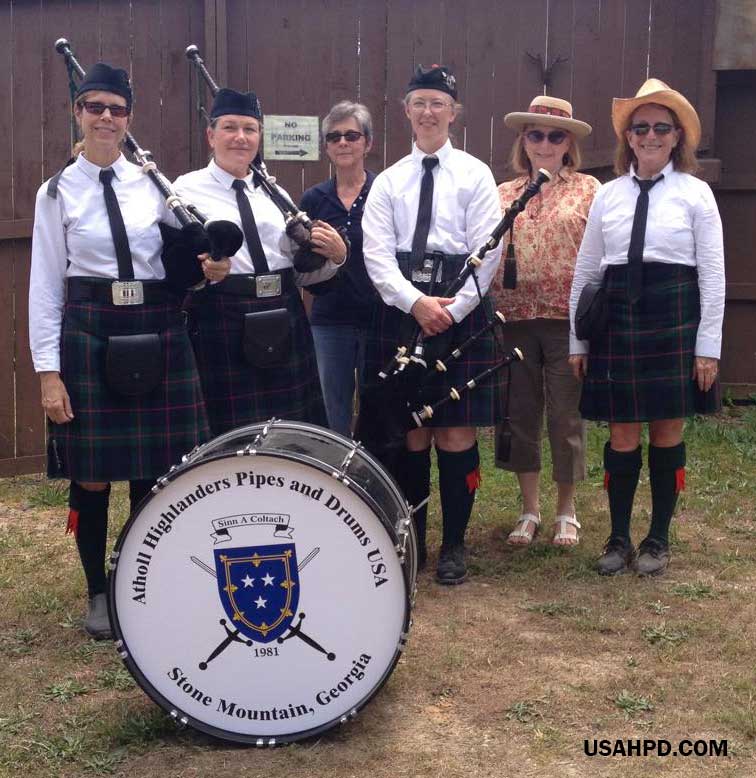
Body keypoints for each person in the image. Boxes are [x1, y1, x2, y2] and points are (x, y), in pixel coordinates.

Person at [29, 64, 217, 639]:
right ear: (78, 114)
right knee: (92, 476)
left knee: (155, 475)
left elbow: (183, 268)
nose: (106, 117)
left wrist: (209, 265)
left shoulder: (158, 186)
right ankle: (97, 592)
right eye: (95, 107)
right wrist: (47, 372)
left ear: (129, 118)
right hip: (89, 330)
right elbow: (45, 284)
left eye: (116, 108)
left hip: (157, 324)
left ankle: (145, 580)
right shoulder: (56, 192)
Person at [569, 79, 725, 576]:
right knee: (621, 433)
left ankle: (658, 538)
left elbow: (714, 276)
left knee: (667, 429)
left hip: (674, 314)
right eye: (641, 128)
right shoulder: (608, 196)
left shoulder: (697, 194)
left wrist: (708, 348)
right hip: (617, 318)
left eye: (662, 127)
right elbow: (587, 271)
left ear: (677, 137)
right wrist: (578, 338)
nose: (651, 135)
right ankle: (617, 538)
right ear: (629, 138)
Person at [362, 65, 503, 584]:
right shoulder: (390, 181)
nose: (427, 112)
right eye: (418, 102)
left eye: (437, 103)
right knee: (412, 431)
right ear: (406, 110)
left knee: (456, 431)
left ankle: (456, 546)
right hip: (404, 310)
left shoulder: (475, 174)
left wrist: (454, 310)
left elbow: (488, 252)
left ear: (453, 112)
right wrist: (416, 303)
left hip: (459, 305)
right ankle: (413, 538)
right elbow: (376, 257)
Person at [173, 88, 348, 435]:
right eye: (230, 128)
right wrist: (203, 271)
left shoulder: (274, 193)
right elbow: (176, 268)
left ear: (259, 137)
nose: (240, 137)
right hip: (221, 318)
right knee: (231, 437)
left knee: (291, 433)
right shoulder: (185, 190)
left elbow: (300, 274)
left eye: (250, 129)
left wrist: (336, 259)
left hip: (284, 315)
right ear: (211, 135)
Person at [490, 96, 599, 547]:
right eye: (535, 134)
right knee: (520, 414)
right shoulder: (502, 193)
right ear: (524, 141)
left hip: (565, 321)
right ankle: (529, 508)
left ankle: (566, 510)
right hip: (512, 318)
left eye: (555, 135)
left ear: (568, 143)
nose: (545, 143)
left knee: (565, 414)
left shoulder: (590, 190)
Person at [299, 101, 380, 437]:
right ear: (326, 148)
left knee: (378, 405)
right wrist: (331, 258)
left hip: (380, 317)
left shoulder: (384, 192)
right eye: (334, 137)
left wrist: (345, 254)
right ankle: (333, 480)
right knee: (332, 410)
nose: (343, 143)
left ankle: (372, 480)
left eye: (351, 135)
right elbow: (303, 267)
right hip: (330, 321)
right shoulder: (313, 200)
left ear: (367, 143)